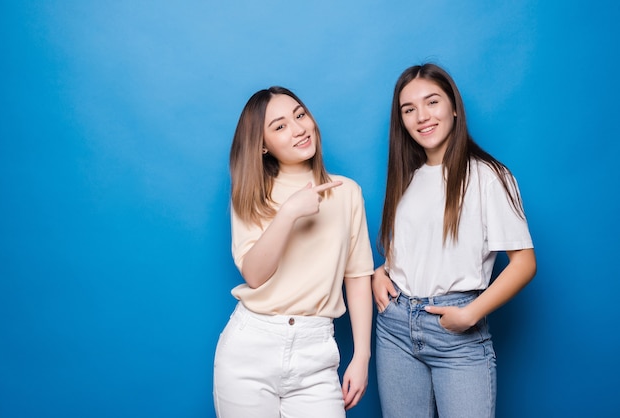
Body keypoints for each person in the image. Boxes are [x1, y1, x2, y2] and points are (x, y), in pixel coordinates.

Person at [372, 63, 537, 418]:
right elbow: (416, 250)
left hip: (456, 330)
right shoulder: (407, 178)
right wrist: (380, 272)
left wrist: (470, 314)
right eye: (409, 109)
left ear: (454, 108)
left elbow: (524, 263)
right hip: (395, 328)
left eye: (432, 102)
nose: (422, 117)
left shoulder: (489, 176)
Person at [213, 86, 374, 417]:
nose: (299, 128)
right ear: (262, 145)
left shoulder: (348, 193)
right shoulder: (250, 193)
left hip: (316, 355)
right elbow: (254, 275)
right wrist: (288, 213)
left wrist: (361, 356)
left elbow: (357, 278)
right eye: (280, 126)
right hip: (251, 349)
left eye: (300, 115)